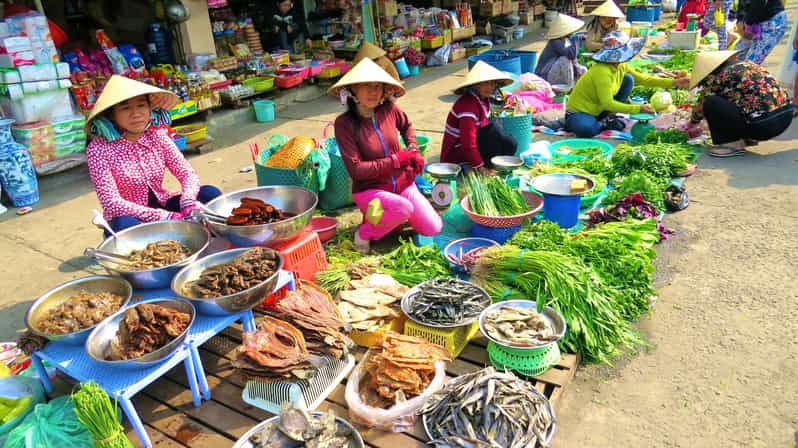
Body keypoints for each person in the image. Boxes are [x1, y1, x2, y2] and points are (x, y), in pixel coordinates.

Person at [86, 75, 222, 234]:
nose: (136, 113)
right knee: (124, 225)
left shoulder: (157, 136)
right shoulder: (98, 149)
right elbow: (111, 202)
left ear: (150, 110)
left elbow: (186, 173)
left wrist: (188, 202)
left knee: (209, 193)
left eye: (141, 105)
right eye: (125, 108)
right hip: (130, 217)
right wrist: (167, 216)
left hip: (162, 203)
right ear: (111, 115)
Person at [331, 59, 442, 253]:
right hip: (370, 190)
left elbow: (407, 126)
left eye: (377, 86)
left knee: (433, 227)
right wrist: (396, 160)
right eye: (365, 85)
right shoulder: (344, 124)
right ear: (353, 89)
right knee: (402, 208)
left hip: (403, 184)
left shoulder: (390, 110)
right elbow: (357, 170)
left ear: (384, 90)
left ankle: (390, 220)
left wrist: (414, 149)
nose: (373, 91)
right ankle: (365, 232)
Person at [565, 31, 691, 138]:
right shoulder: (602, 72)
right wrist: (638, 108)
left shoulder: (620, 65)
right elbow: (607, 103)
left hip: (599, 110)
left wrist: (674, 82)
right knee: (587, 129)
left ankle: (606, 118)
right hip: (580, 112)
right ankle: (598, 124)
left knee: (628, 79)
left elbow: (643, 79)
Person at [686, 50, 793, 157]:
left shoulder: (718, 77)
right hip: (785, 117)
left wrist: (692, 123)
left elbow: (701, 106)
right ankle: (747, 138)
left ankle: (732, 144)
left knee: (711, 102)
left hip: (764, 126)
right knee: (738, 99)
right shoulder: (747, 65)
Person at [440, 61, 516, 172]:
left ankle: (493, 167)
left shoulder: (483, 100)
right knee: (493, 130)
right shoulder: (467, 106)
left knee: (510, 142)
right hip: (456, 155)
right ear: (475, 85)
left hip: (475, 146)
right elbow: (468, 143)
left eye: (492, 83)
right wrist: (480, 168)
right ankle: (479, 167)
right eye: (484, 83)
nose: (489, 87)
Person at [535, 14, 587, 89]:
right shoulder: (555, 42)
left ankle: (578, 88)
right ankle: (569, 86)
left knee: (583, 70)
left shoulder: (564, 40)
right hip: (545, 74)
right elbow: (571, 55)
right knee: (564, 59)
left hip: (554, 71)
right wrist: (576, 39)